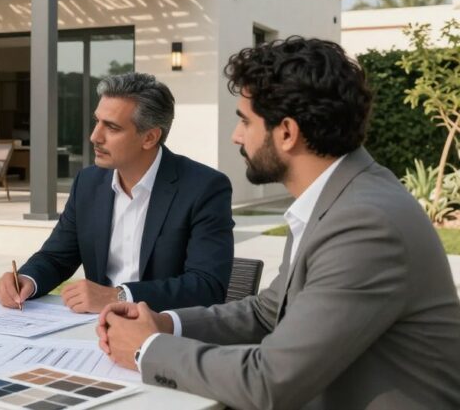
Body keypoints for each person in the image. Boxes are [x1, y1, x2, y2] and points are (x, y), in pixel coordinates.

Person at [97, 38, 460, 409]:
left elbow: (270, 382)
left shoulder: (365, 224)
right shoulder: (336, 198)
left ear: (287, 132)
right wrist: (166, 324)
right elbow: (268, 312)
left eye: (245, 121)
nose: (236, 136)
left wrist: (147, 349)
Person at [0, 72, 234, 313]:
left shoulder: (204, 188)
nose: (95, 136)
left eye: (112, 127)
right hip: (95, 326)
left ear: (150, 137)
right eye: (97, 121)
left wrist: (120, 296)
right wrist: (27, 279)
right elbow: (56, 257)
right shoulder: (88, 183)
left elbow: (207, 286)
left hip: (163, 328)